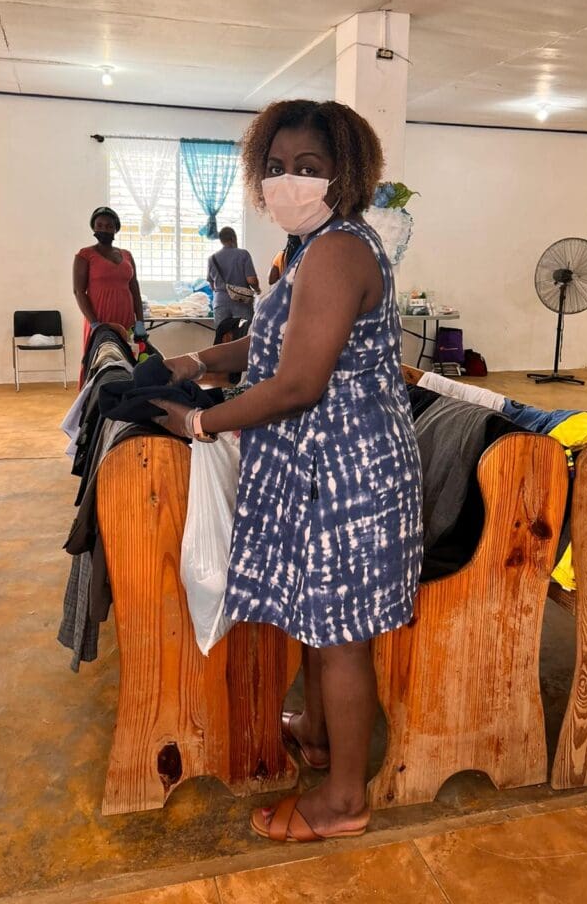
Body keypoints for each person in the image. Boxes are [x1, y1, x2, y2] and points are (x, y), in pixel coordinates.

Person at [152, 100, 424, 844]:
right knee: (318, 615)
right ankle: (320, 731)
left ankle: (343, 800)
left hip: (346, 472)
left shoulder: (338, 250)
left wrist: (200, 421)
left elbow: (300, 380)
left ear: (347, 174)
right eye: (275, 167)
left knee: (340, 635)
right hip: (319, 464)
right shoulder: (304, 251)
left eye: (309, 168)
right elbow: (275, 340)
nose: (288, 181)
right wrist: (202, 359)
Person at [73, 207, 145, 359]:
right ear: (93, 227)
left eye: (109, 226)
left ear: (116, 228)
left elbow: (135, 288)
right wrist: (95, 324)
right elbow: (79, 292)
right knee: (100, 362)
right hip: (100, 319)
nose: (104, 229)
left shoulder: (127, 255)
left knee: (130, 360)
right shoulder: (85, 255)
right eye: (99, 225)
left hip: (126, 319)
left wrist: (140, 321)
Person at [207, 227, 260, 324]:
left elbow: (212, 285)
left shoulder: (212, 258)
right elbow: (252, 280)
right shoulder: (243, 254)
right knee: (243, 335)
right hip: (241, 302)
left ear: (221, 240)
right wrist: (257, 290)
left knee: (222, 335)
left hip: (220, 302)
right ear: (233, 238)